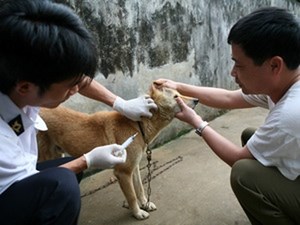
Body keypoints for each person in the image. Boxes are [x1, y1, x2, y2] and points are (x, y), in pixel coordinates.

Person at [0, 0, 156, 224]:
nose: (77, 89)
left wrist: (120, 103)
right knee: (62, 186)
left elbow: (82, 81)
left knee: (69, 174)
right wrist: (88, 160)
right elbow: (21, 183)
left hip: (17, 173)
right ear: (25, 87)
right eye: (70, 85)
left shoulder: (21, 80)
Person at [156, 7, 300, 225]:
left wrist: (196, 122)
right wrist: (178, 86)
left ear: (274, 65)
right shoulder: (285, 82)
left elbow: (237, 158)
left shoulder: (290, 113)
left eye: (239, 65)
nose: (233, 72)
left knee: (244, 175)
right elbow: (229, 98)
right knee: (252, 138)